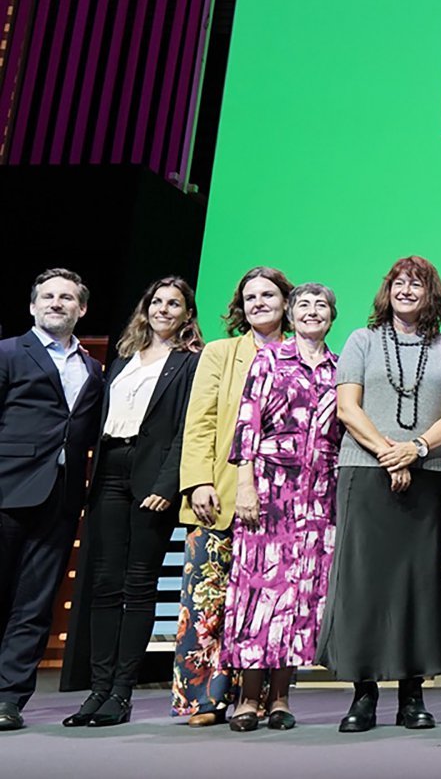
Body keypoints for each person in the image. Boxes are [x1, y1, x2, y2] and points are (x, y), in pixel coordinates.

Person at [318, 256, 441, 732]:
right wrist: (390, 454)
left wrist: (415, 449)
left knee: (417, 584)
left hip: (427, 475)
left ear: (431, 294)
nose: (406, 290)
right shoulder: (361, 341)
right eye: (399, 283)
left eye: (416, 284)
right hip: (366, 471)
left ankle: (412, 694)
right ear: (388, 291)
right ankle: (363, 694)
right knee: (363, 582)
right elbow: (347, 408)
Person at [61, 278, 203, 727]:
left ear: (186, 313)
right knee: (104, 584)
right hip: (110, 470)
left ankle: (122, 693)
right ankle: (98, 690)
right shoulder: (124, 357)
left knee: (139, 585)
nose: (163, 309)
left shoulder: (191, 362)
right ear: (146, 308)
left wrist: (168, 483)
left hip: (152, 478)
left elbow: (188, 428)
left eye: (174, 304)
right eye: (156, 302)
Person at [173, 265, 293, 725]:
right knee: (207, 601)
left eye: (268, 295)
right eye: (250, 297)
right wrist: (198, 481)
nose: (259, 303)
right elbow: (200, 420)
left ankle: (255, 698)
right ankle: (204, 700)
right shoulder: (221, 353)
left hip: (279, 501)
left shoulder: (299, 354)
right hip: (218, 495)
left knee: (266, 604)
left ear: (286, 302)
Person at [219, 283, 342, 732]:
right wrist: (245, 485)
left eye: (321, 306)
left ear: (332, 316)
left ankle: (281, 697)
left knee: (300, 594)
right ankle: (248, 698)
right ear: (290, 315)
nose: (312, 312)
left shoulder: (339, 368)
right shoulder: (270, 358)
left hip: (319, 495)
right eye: (303, 305)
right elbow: (247, 422)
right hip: (269, 490)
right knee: (257, 591)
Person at [0, 269, 105, 732]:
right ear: (32, 306)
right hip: (6, 489)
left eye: (66, 297)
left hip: (60, 498)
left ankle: (8, 698)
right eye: (47, 296)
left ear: (81, 308)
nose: (56, 303)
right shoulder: (8, 352)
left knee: (35, 603)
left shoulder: (92, 368)